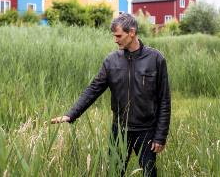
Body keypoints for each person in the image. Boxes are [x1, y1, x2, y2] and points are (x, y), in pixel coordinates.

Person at [51, 14, 171, 176]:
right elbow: (93, 90)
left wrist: (160, 136)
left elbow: (164, 100)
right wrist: (70, 115)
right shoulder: (111, 61)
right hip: (119, 131)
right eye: (114, 36)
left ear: (132, 32)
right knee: (114, 173)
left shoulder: (155, 59)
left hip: (147, 131)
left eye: (119, 35)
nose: (115, 40)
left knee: (149, 173)